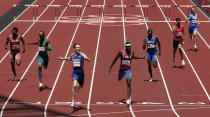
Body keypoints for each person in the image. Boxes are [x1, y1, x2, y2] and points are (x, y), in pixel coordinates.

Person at [58, 43, 90, 107]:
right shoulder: (72, 55)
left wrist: (86, 58)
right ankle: (73, 101)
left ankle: (79, 85)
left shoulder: (82, 54)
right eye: (77, 47)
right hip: (75, 72)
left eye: (79, 47)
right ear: (74, 48)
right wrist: (63, 59)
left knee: (80, 86)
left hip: (81, 73)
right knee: (74, 86)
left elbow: (89, 59)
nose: (79, 48)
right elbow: (69, 59)